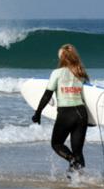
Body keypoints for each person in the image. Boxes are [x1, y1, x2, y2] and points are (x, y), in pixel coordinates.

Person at [31, 44, 89, 172]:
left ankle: (72, 161)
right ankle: (77, 181)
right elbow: (88, 97)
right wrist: (91, 119)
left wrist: (38, 113)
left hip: (66, 114)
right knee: (78, 151)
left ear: (62, 57)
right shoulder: (81, 73)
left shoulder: (57, 73)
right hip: (82, 113)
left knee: (56, 144)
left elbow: (47, 95)